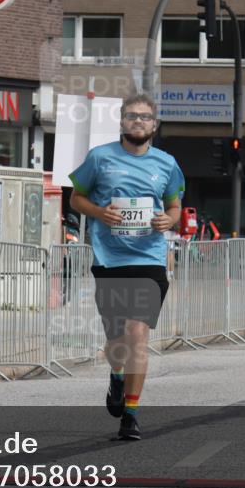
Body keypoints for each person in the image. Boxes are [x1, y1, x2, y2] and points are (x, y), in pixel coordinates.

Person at [69, 93, 185, 441]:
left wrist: (169, 220)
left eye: (145, 117)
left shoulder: (166, 163)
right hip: (109, 259)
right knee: (116, 339)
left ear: (154, 125)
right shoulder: (99, 157)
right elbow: (76, 198)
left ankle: (131, 414)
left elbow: (175, 206)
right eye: (132, 116)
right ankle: (117, 377)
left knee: (137, 336)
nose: (138, 121)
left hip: (149, 259)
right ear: (122, 121)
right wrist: (99, 212)